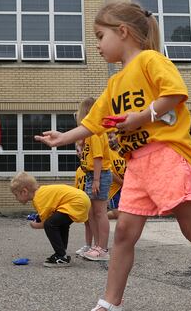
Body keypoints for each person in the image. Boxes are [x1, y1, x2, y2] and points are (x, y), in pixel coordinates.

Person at [35, 0, 191, 311]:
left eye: (100, 36)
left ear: (122, 31)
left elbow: (175, 92)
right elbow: (92, 122)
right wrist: (62, 138)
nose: (96, 45)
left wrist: (141, 116)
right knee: (124, 233)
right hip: (137, 164)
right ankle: (110, 303)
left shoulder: (151, 60)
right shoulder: (114, 83)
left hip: (166, 155)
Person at [10, 172, 90, 268]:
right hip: (81, 199)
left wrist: (35, 225)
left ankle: (61, 256)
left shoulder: (38, 199)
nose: (16, 198)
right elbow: (49, 212)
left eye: (16, 195)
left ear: (24, 192)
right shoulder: (42, 193)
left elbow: (46, 223)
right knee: (60, 224)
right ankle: (62, 253)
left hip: (76, 202)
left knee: (50, 224)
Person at [75, 97, 113, 262]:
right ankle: (95, 246)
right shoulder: (87, 136)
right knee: (91, 213)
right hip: (92, 175)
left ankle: (102, 248)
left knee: (99, 212)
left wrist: (96, 180)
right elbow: (90, 156)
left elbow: (98, 158)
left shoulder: (95, 132)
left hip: (100, 174)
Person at [73, 149, 94, 256]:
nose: (79, 152)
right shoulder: (78, 170)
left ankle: (97, 246)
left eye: (81, 150)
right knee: (87, 223)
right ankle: (88, 245)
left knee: (93, 222)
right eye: (77, 150)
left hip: (92, 199)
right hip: (83, 200)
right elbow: (76, 187)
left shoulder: (91, 168)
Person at [106, 132, 126, 220]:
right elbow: (110, 173)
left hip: (128, 185)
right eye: (107, 138)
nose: (109, 140)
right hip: (115, 188)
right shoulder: (107, 152)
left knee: (128, 212)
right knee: (118, 214)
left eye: (110, 137)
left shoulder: (124, 150)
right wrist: (123, 183)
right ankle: (99, 217)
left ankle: (98, 216)